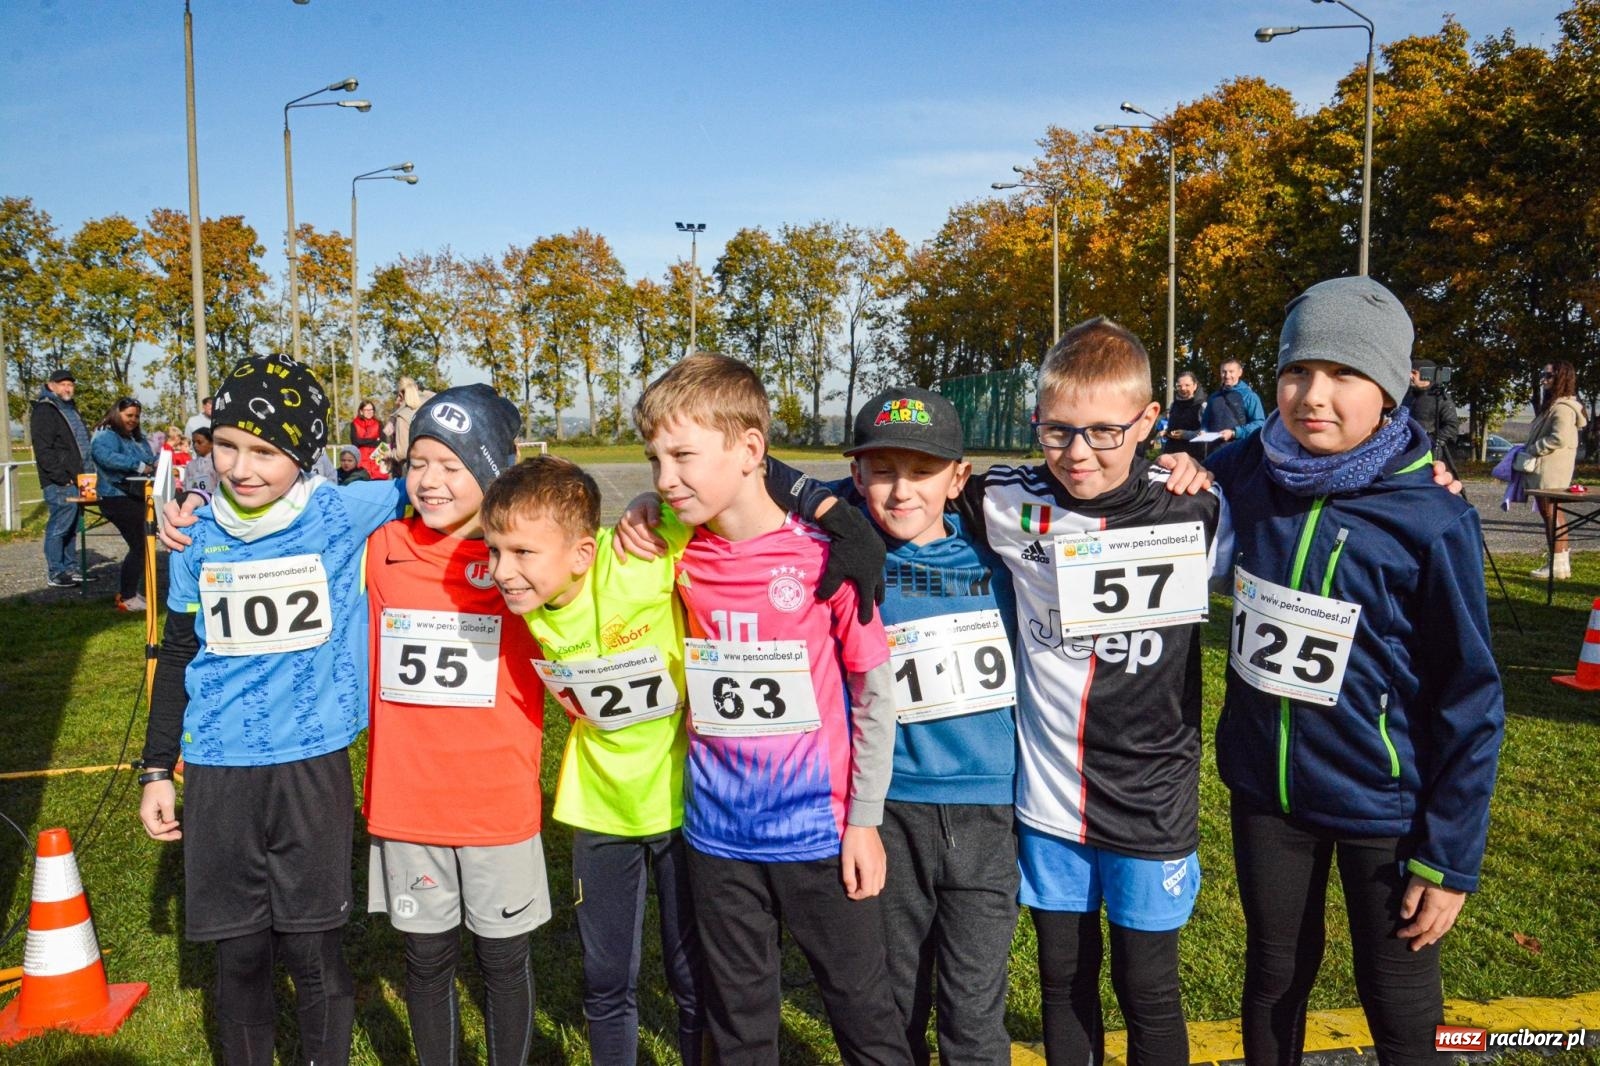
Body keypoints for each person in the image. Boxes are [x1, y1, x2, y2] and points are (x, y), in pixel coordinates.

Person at [1205, 276, 1504, 1066]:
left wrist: (1448, 858)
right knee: (1273, 976)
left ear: (1392, 388)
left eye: (1345, 375)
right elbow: (1154, 472)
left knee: (1400, 1002)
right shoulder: (1247, 469)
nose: (1314, 396)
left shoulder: (1433, 518)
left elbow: (1473, 698)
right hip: (1268, 796)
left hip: (1386, 808)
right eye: (1298, 371)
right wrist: (1182, 470)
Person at [949, 321, 1225, 1066]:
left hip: (1152, 799)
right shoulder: (1004, 498)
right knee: (1063, 981)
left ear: (1149, 422)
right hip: (1050, 798)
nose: (1077, 454)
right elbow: (891, 482)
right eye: (1057, 432)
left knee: (1150, 991)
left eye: (1104, 432)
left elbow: (1302, 478)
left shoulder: (1197, 505)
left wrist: (1431, 475)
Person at [631, 353, 912, 1066]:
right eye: (654, 458)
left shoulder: (827, 557)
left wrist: (864, 822)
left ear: (751, 450)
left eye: (684, 455)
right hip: (718, 837)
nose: (665, 478)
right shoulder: (676, 554)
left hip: (819, 835)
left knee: (862, 1011)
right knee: (740, 1022)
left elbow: (874, 697)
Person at [136, 354, 402, 1066]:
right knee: (241, 957)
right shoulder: (195, 535)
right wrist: (157, 767)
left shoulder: (343, 510)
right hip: (221, 768)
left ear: (306, 454)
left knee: (314, 951)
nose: (242, 467)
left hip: (310, 765)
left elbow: (451, 484)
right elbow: (176, 653)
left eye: (265, 450)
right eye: (226, 444)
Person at [481, 456, 709, 1066]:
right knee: (606, 980)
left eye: (522, 553)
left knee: (693, 975)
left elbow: (716, 496)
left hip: (685, 803)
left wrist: (648, 502)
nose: (502, 572)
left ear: (583, 553)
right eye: (495, 550)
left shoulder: (640, 554)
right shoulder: (529, 594)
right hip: (599, 808)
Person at [362, 385, 549, 1066]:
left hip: (497, 805)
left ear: (494, 469)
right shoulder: (380, 549)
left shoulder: (526, 555)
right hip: (408, 805)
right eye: (419, 461)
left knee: (504, 963)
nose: (431, 481)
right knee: (426, 959)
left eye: (453, 464)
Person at [834, 388, 1021, 1065]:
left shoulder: (1003, 560)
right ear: (856, 478)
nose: (900, 489)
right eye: (881, 471)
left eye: (921, 471)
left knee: (973, 1017)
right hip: (888, 815)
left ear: (958, 478)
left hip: (988, 815)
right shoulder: (845, 556)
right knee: (892, 1007)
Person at [90, 397, 157, 612]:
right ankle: (127, 596)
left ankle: (130, 592)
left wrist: (156, 463)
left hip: (135, 496)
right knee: (139, 545)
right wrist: (139, 466)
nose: (133, 420)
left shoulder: (134, 437)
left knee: (143, 544)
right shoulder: (104, 434)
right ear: (116, 413)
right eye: (129, 416)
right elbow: (106, 458)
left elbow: (148, 458)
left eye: (136, 416)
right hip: (116, 498)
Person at [29, 367, 92, 587]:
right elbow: (43, 449)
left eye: (70, 384)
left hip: (77, 478)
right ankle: (56, 571)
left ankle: (71, 567)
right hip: (59, 481)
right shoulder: (45, 410)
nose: (67, 388)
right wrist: (60, 477)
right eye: (63, 384)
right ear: (51, 385)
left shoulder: (69, 409)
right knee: (60, 525)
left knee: (73, 525)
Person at [1524, 361, 1587, 580]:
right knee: (1551, 514)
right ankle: (1559, 563)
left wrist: (1533, 449)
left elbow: (1561, 438)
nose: (1544, 379)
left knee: (1551, 514)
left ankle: (1557, 563)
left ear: (1561, 377)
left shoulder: (1562, 409)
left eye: (1548, 375)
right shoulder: (1555, 406)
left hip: (1550, 470)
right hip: (1547, 469)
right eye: (1543, 374)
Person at [1202, 358, 1267, 449]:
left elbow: (1259, 424)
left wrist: (1234, 433)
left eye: (1231, 371)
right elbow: (1205, 421)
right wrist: (1203, 430)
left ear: (1240, 372)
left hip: (1240, 451)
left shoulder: (1249, 396)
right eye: (1224, 372)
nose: (1227, 375)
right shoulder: (1214, 397)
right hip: (1213, 453)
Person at [1402, 362, 1460, 453]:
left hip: (1428, 453)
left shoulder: (1440, 398)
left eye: (1414, 373)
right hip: (1403, 450)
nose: (1410, 376)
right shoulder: (1406, 396)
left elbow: (1452, 427)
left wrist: (1429, 441)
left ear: (1427, 375)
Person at [385, 377, 435, 478]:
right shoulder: (432, 406)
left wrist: (389, 454)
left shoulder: (403, 416)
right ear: (416, 387)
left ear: (400, 395)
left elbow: (402, 452)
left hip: (412, 469)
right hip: (434, 464)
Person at [1161, 370, 1207, 458]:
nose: (1183, 388)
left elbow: (1206, 433)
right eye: (1179, 386)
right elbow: (1171, 426)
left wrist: (1185, 434)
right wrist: (1167, 433)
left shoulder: (1202, 406)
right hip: (1171, 453)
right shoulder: (1173, 405)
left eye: (1187, 385)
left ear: (1195, 386)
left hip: (1193, 456)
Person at [350, 399, 388, 480]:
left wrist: (363, 441)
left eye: (371, 409)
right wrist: (374, 440)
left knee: (379, 481)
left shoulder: (379, 423)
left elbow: (383, 443)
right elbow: (356, 442)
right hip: (361, 462)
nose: (370, 412)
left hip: (377, 461)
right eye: (367, 410)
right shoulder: (354, 424)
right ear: (361, 411)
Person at [185, 427, 216, 495]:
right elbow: (186, 486)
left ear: (211, 443)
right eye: (193, 442)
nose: (195, 445)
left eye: (199, 442)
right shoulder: (190, 465)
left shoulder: (216, 463)